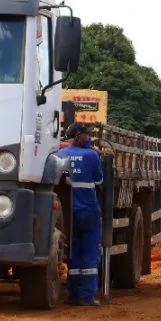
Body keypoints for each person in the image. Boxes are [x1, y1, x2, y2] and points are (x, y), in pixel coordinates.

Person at [63, 123, 104, 306]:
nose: (89, 138)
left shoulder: (60, 155)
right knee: (90, 254)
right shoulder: (92, 155)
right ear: (78, 135)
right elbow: (100, 179)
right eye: (87, 135)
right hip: (88, 211)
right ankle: (87, 296)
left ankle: (73, 295)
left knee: (73, 253)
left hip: (68, 213)